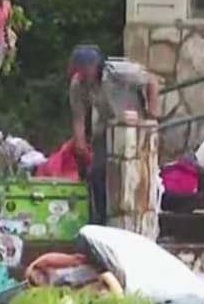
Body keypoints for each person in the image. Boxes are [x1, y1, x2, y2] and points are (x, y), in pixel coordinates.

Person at [67, 45, 160, 224]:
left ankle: (130, 218)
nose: (83, 74)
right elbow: (78, 116)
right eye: (79, 70)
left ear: (95, 66)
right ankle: (100, 220)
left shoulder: (119, 72)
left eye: (85, 69)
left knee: (129, 178)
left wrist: (152, 116)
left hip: (133, 129)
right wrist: (79, 145)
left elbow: (151, 81)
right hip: (105, 130)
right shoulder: (78, 84)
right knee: (97, 173)